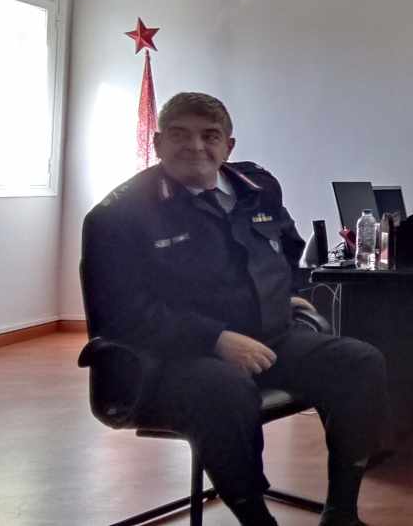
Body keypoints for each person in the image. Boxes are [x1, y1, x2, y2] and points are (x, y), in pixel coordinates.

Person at [82, 92, 389, 526]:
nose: (195, 147)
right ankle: (255, 518)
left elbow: (289, 250)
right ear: (157, 142)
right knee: (224, 390)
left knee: (360, 362)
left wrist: (287, 292)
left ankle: (341, 513)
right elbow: (121, 314)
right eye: (180, 135)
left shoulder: (256, 189)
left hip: (268, 339)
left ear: (229, 146)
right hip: (168, 359)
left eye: (210, 136)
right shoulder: (119, 216)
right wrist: (214, 339)